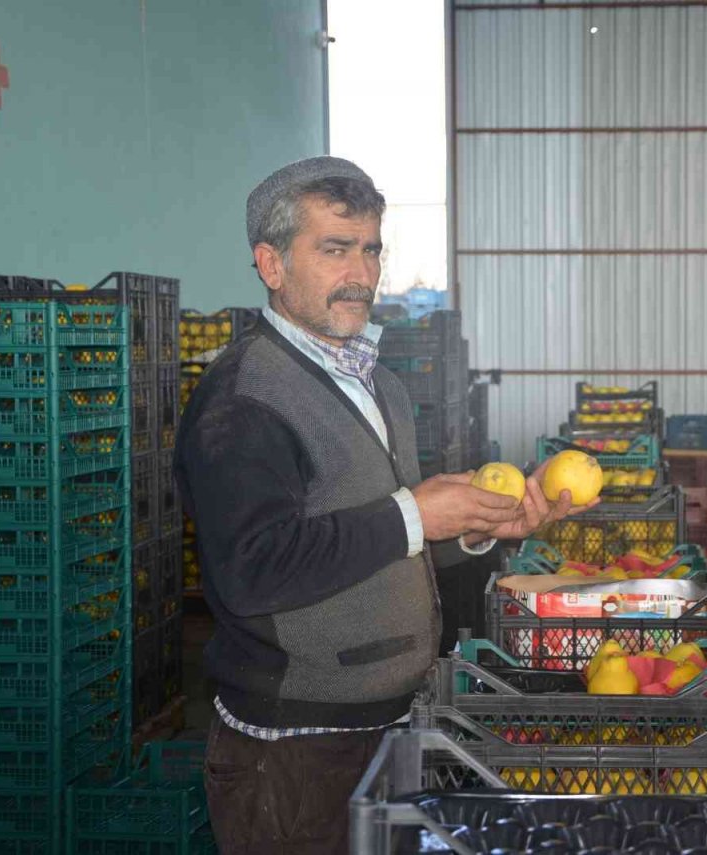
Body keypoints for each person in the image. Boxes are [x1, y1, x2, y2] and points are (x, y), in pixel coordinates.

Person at [174, 156, 589, 853]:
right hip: (295, 751)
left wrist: (488, 525)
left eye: (370, 249)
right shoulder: (243, 399)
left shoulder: (380, 384)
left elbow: (391, 537)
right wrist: (415, 514)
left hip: (388, 725)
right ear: (270, 264)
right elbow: (252, 569)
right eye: (334, 249)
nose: (361, 273)